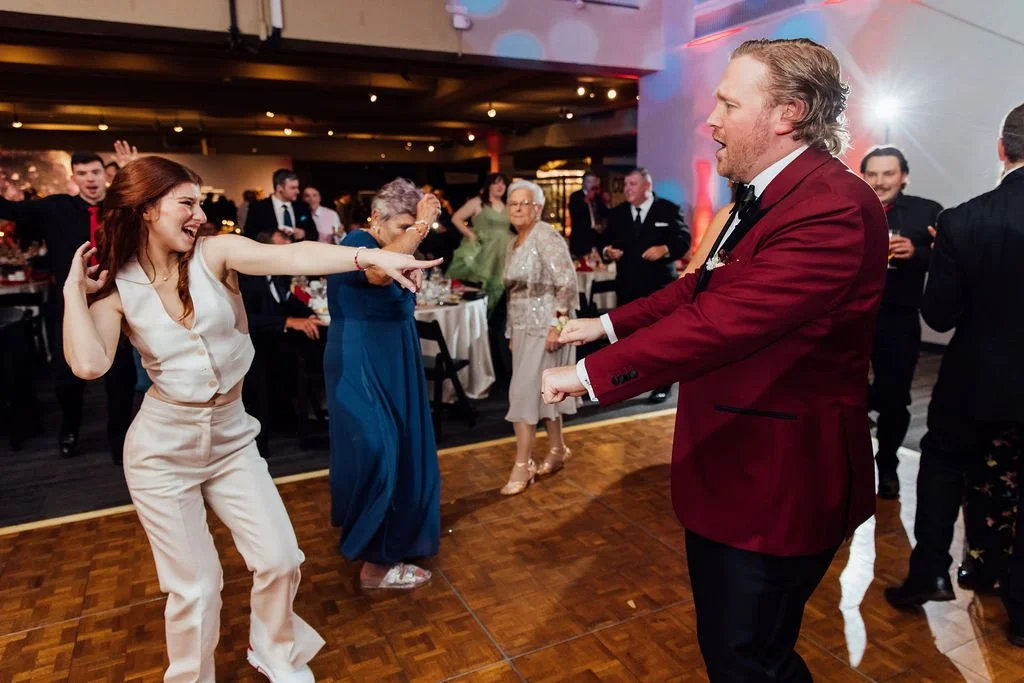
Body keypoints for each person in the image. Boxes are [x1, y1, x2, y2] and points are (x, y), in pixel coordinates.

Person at [542, 38, 887, 681]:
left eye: (729, 103)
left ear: (788, 113)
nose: (711, 119)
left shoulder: (831, 206)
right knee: (735, 652)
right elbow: (700, 290)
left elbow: (722, 322)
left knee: (748, 661)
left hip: (778, 481)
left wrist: (589, 375)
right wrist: (605, 324)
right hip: (737, 466)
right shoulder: (761, 196)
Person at [61, 156, 440, 681]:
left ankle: (273, 649)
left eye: (199, 203)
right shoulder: (118, 285)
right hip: (161, 450)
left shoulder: (214, 253)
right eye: (187, 204)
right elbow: (88, 364)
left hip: (232, 437)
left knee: (282, 559)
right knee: (196, 587)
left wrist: (368, 257)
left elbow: (288, 256)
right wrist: (72, 293)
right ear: (147, 210)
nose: (200, 215)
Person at [885, 105, 1024, 633]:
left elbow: (939, 315)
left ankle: (930, 572)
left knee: (943, 462)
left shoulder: (962, 219)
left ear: (1001, 148)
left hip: (975, 375)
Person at [325, 179, 443, 590]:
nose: (410, 233)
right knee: (378, 450)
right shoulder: (357, 242)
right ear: (376, 217)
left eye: (412, 225)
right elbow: (377, 273)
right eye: (402, 226)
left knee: (403, 445)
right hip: (363, 355)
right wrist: (422, 225)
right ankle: (375, 565)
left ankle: (396, 537)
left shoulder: (391, 243)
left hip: (395, 353)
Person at [0, 140, 139, 462]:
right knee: (67, 377)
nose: (90, 179)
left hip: (115, 303)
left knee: (120, 376)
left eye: (95, 172)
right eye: (83, 174)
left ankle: (119, 439)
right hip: (70, 305)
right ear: (74, 178)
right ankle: (70, 430)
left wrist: (132, 171)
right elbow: (10, 210)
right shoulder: (56, 207)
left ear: (105, 175)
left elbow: (152, 204)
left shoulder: (121, 208)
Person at [860, 146, 941, 499]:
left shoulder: (927, 211)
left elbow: (950, 259)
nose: (880, 182)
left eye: (888, 174)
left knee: (895, 400)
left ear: (903, 176)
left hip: (899, 317)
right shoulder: (848, 208)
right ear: (863, 176)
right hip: (850, 317)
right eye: (872, 174)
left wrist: (918, 254)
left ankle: (888, 465)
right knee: (843, 392)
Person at [501, 180, 579, 495]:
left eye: (525, 203)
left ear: (538, 208)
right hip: (522, 327)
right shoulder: (514, 242)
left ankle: (523, 464)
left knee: (522, 393)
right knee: (545, 393)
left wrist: (557, 325)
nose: (518, 209)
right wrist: (511, 331)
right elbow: (514, 293)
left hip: (546, 326)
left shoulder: (546, 235)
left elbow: (567, 281)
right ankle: (558, 449)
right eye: (513, 204)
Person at [598, 167, 690, 403]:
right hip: (627, 287)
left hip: (659, 287)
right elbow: (603, 243)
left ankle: (662, 384)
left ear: (647, 186)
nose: (627, 189)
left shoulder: (668, 209)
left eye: (633, 184)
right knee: (627, 338)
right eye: (625, 184)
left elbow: (683, 240)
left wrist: (665, 249)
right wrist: (607, 251)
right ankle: (629, 381)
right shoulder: (617, 213)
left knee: (662, 338)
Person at [446, 173, 512, 314]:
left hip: (504, 251)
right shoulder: (478, 202)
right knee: (481, 287)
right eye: (496, 183)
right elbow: (456, 218)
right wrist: (470, 235)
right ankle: (478, 318)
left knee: (501, 288)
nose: (500, 186)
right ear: (489, 186)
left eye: (503, 183)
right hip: (485, 251)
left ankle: (492, 321)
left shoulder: (508, 204)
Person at [243, 169, 316, 241]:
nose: (298, 191)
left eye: (297, 187)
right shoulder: (258, 208)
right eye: (293, 188)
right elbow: (249, 235)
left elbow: (314, 233)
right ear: (279, 188)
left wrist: (303, 233)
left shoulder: (302, 207)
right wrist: (270, 238)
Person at [568, 172, 608, 260]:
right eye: (589, 182)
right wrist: (587, 199)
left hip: (595, 237)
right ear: (583, 183)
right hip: (580, 238)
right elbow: (575, 214)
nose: (592, 184)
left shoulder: (598, 197)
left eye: (594, 182)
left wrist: (606, 202)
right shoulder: (575, 196)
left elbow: (605, 214)